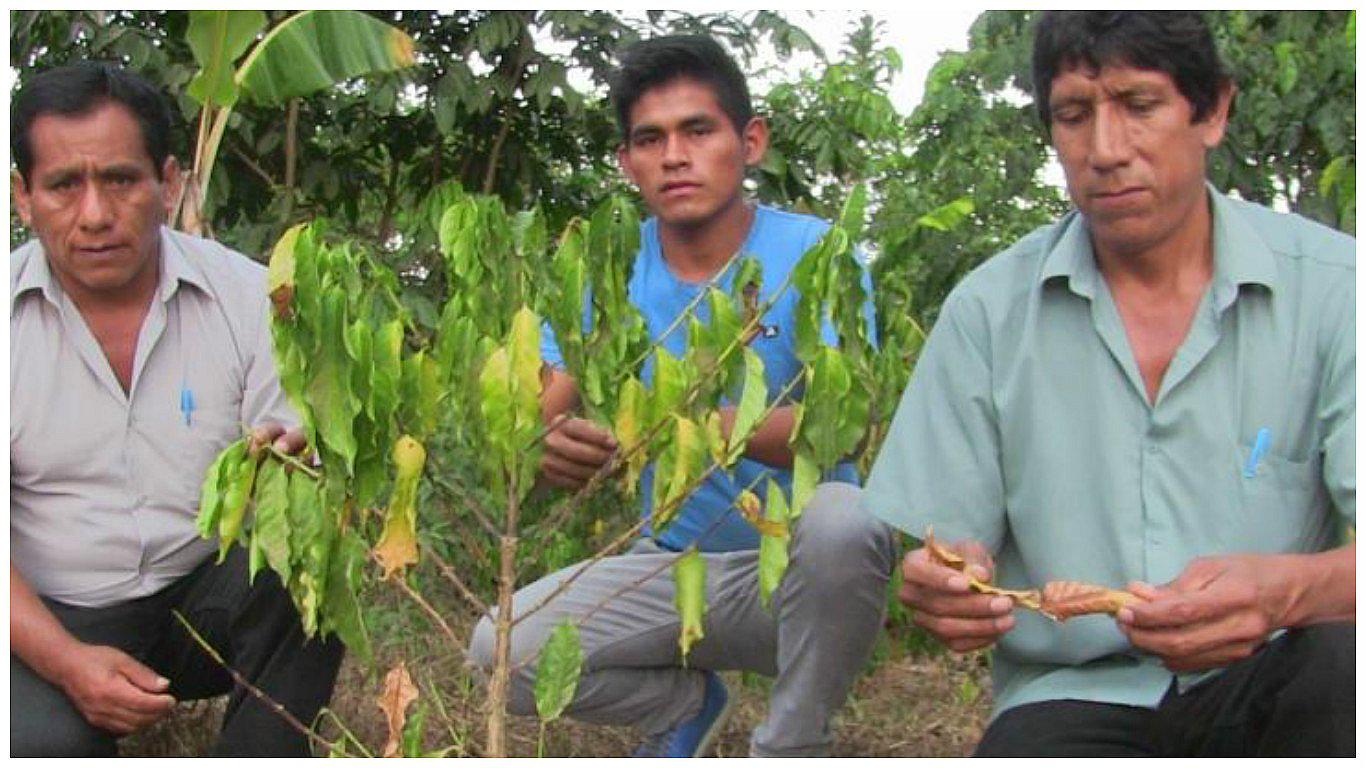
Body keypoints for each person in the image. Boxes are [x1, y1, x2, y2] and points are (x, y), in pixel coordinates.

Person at [863, 11, 1354, 757]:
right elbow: (948, 551)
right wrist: (943, 584)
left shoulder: (1337, 292)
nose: (1105, 150)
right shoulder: (988, 313)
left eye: (1140, 105)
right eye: (1074, 115)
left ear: (1213, 110)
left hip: (1279, 676)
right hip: (1075, 695)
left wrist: (1284, 593)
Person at [468, 35, 894, 758]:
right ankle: (684, 709)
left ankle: (791, 743)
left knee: (846, 519)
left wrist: (685, 424)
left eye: (698, 130)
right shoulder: (609, 266)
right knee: (501, 650)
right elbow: (537, 418)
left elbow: (841, 430)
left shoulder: (818, 255)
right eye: (650, 138)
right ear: (627, 162)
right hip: (673, 564)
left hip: (798, 574)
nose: (674, 155)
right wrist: (549, 445)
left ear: (749, 142)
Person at [9, 61, 344, 757]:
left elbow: (299, 455)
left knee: (308, 559)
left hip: (199, 598)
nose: (96, 215)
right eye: (64, 185)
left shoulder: (250, 300)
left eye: (122, 180)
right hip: (45, 615)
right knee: (45, 744)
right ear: (23, 197)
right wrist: (68, 663)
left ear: (168, 183)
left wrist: (303, 457)